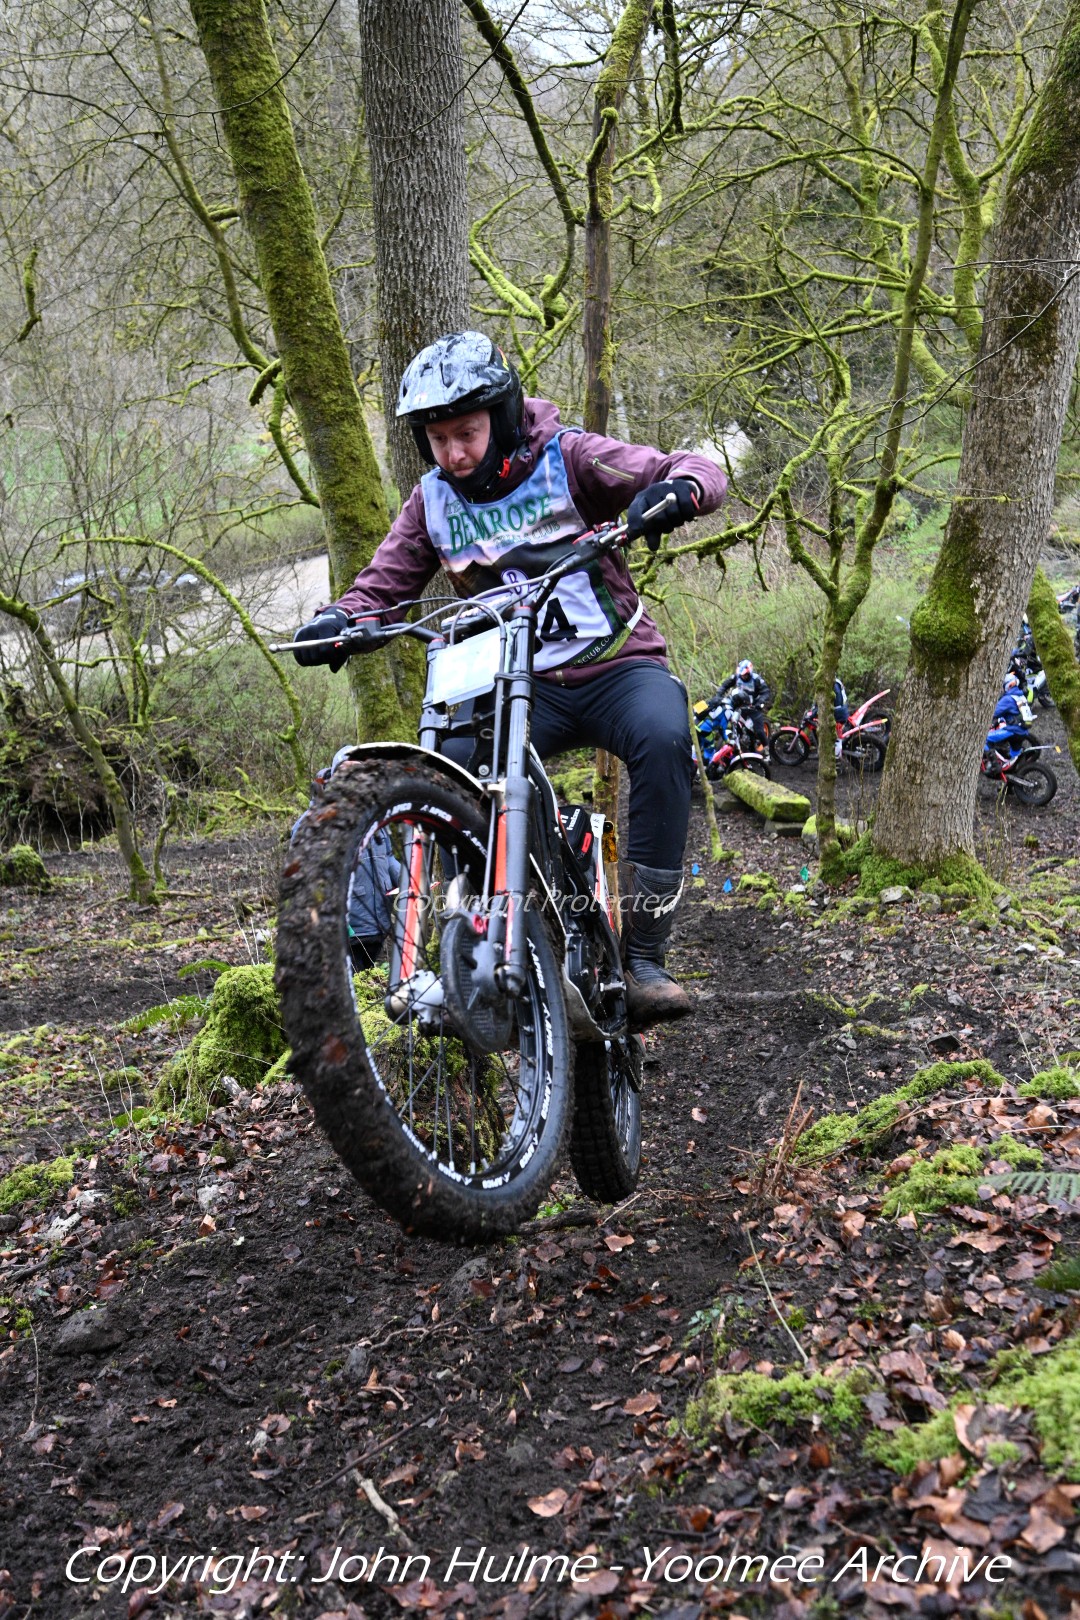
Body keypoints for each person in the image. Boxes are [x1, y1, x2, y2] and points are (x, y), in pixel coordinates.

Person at [291, 331, 727, 1029]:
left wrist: (682, 489)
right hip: (520, 685)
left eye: (466, 433)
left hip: (616, 666)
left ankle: (645, 958)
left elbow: (691, 467)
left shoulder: (569, 456)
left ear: (503, 416)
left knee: (664, 734)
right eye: (438, 439)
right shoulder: (432, 502)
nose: (454, 453)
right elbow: (381, 588)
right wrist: (338, 621)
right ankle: (476, 943)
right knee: (447, 770)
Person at [293, 750, 402, 970]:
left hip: (377, 926)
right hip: (342, 932)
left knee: (369, 983)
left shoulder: (376, 814)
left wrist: (412, 878)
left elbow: (388, 858)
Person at [711, 659, 772, 756]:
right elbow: (724, 685)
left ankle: (767, 750)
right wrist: (718, 696)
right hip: (739, 705)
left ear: (749, 672)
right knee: (733, 723)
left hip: (753, 706)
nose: (742, 676)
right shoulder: (737, 676)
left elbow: (766, 692)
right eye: (741, 675)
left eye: (745, 675)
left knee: (759, 730)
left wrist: (760, 702)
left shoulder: (756, 679)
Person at [985, 673, 1033, 765]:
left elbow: (992, 713)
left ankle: (994, 765)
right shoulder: (1021, 696)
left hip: (1013, 730)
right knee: (1013, 757)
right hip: (1023, 731)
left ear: (1008, 685)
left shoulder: (1008, 699)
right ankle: (1017, 769)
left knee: (985, 739)